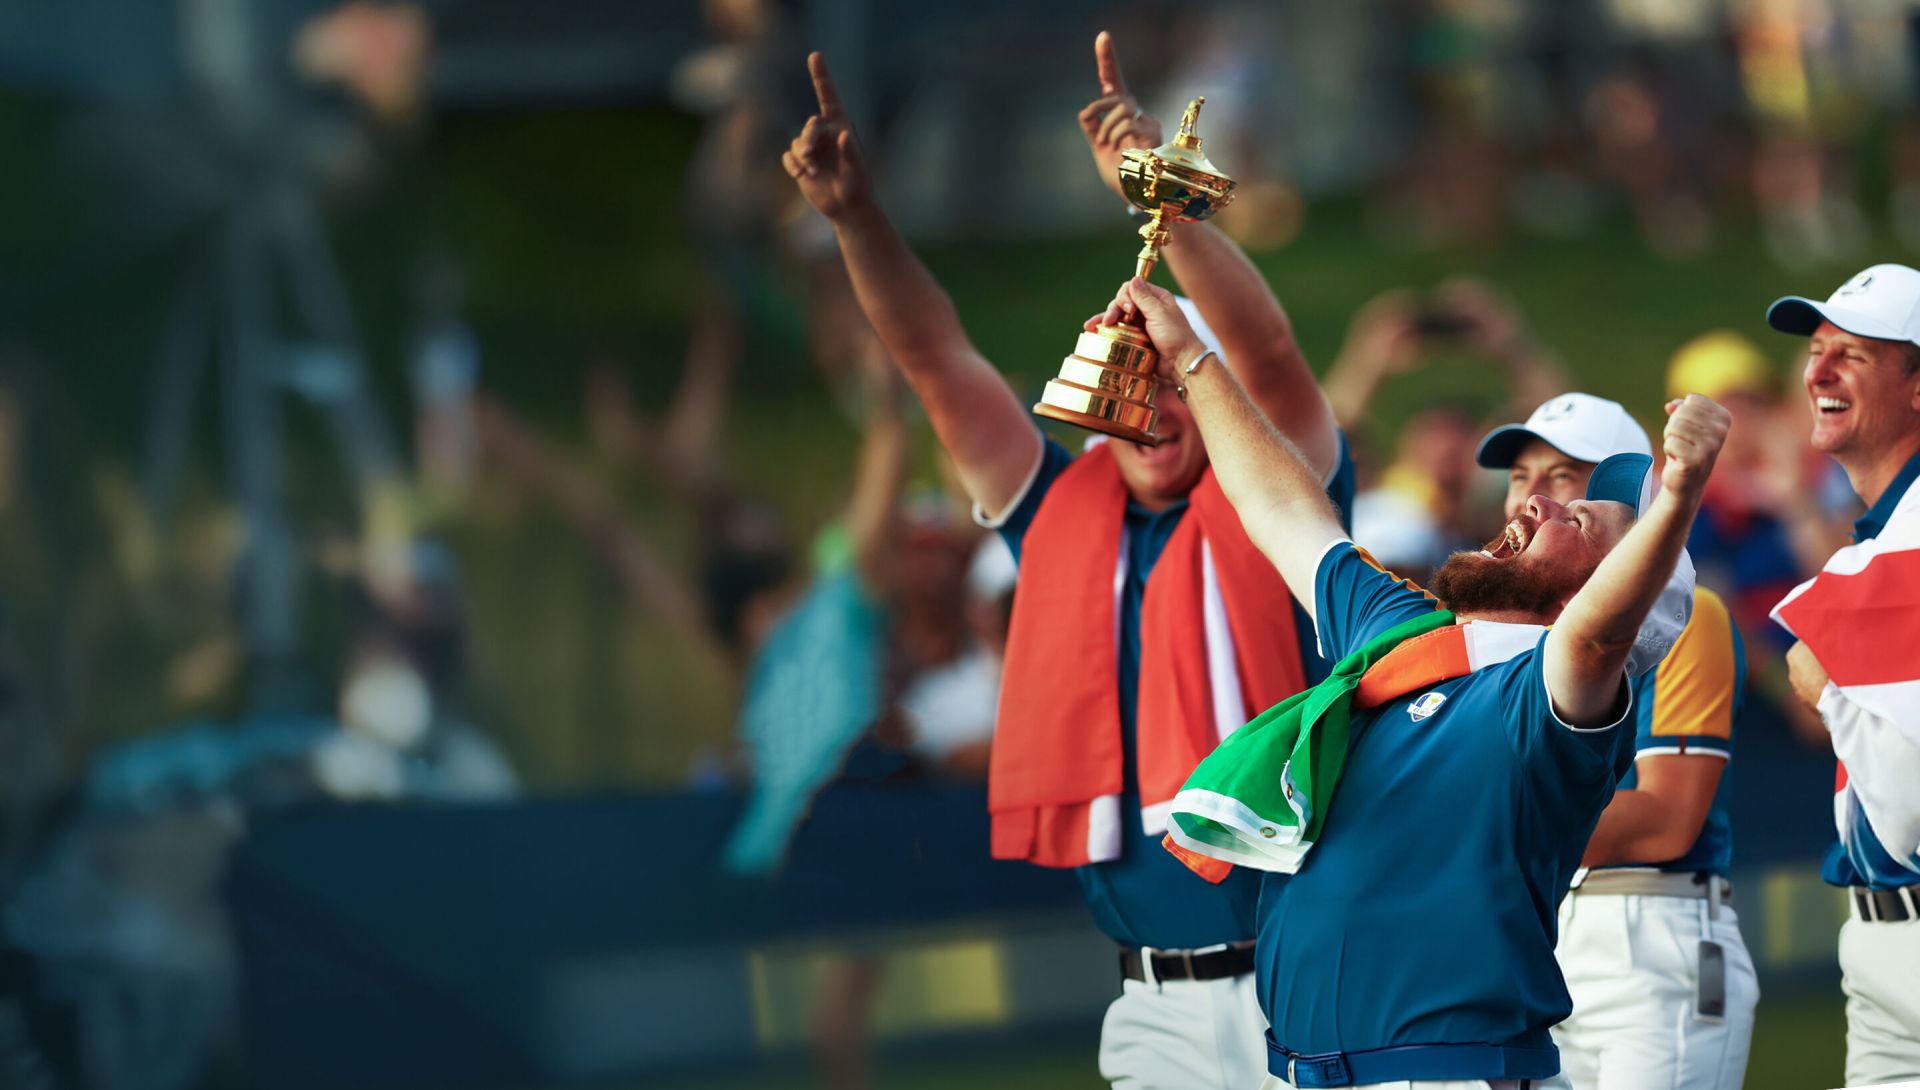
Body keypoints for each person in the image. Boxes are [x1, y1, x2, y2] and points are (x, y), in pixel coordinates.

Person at [784, 35, 1351, 1089]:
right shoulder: (1054, 511)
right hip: (1150, 1003)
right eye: (1129, 385)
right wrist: (857, 219)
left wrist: (1162, 209)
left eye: (1176, 379)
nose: (1154, 407)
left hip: (1306, 974)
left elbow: (1267, 356)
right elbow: (934, 358)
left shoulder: (1279, 493)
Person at [1105, 275, 1728, 1089]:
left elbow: (1599, 633)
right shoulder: (1404, 634)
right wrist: (1192, 357)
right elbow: (1284, 508)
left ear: (1595, 591)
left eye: (1575, 520)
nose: (1537, 503)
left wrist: (1678, 496)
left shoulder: (1546, 702)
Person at [1473, 393, 1757, 1090]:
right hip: (1534, 930)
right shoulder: (1503, 622)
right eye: (1519, 475)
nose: (1531, 497)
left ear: (1623, 502)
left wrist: (1472, 828)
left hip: (1651, 932)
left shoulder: (1688, 615)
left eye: (1564, 476)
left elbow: (1665, 818)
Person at [1764, 263, 1920, 1087]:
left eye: (1851, 355)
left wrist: (1826, 687)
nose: (1816, 371)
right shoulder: (1874, 543)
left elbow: (1911, 801)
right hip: (1871, 935)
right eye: (1816, 350)